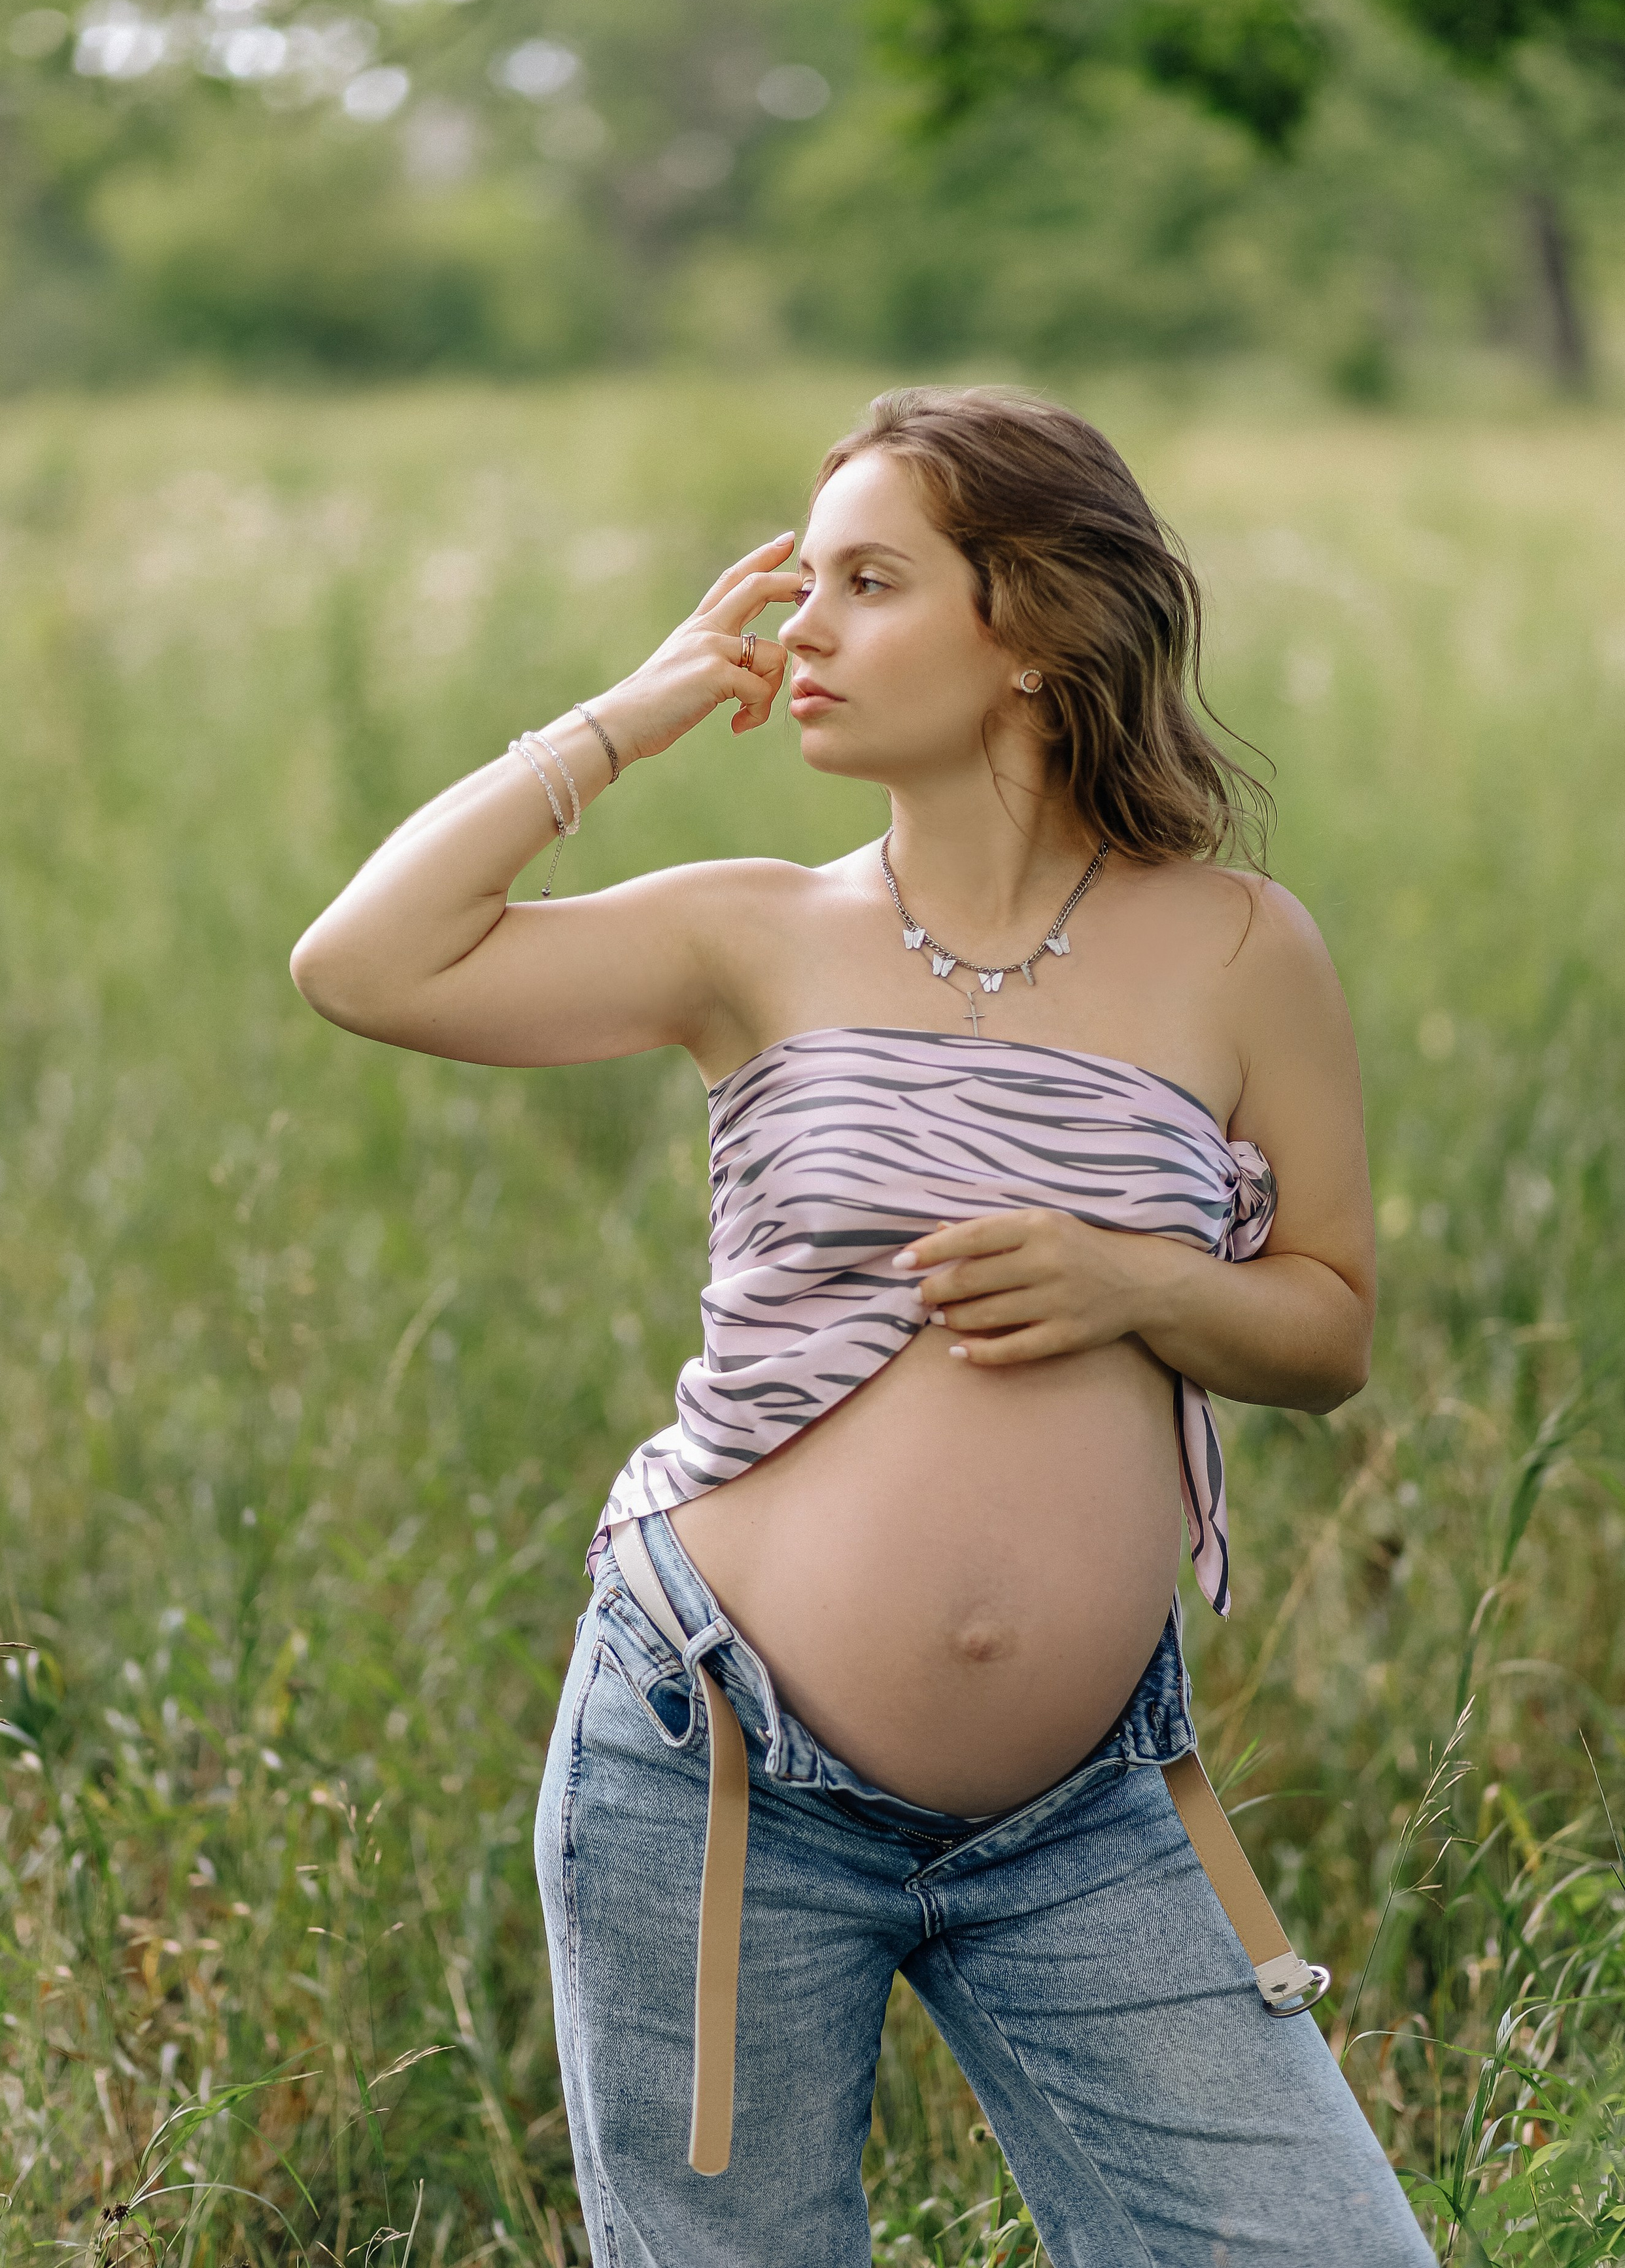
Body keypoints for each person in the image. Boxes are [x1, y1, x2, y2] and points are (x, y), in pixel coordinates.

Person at [291, 388, 1434, 2267]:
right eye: (798, 583)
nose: (798, 630)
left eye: (869, 582)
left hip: (1083, 1813)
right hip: (715, 1767)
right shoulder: (754, 934)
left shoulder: (1240, 945)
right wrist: (633, 714)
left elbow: (1327, 1328)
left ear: (1037, 630)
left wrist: (1140, 1281)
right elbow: (364, 964)